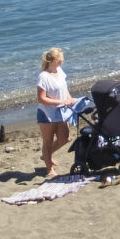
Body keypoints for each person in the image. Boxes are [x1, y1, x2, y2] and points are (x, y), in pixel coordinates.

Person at [35, 47, 74, 178]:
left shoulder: (60, 71)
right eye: (62, 57)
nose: (63, 59)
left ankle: (45, 156)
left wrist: (69, 98)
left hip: (61, 111)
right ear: (55, 60)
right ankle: (49, 169)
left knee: (65, 138)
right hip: (47, 114)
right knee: (48, 141)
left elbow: (64, 87)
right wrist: (61, 101)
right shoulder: (43, 77)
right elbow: (41, 98)